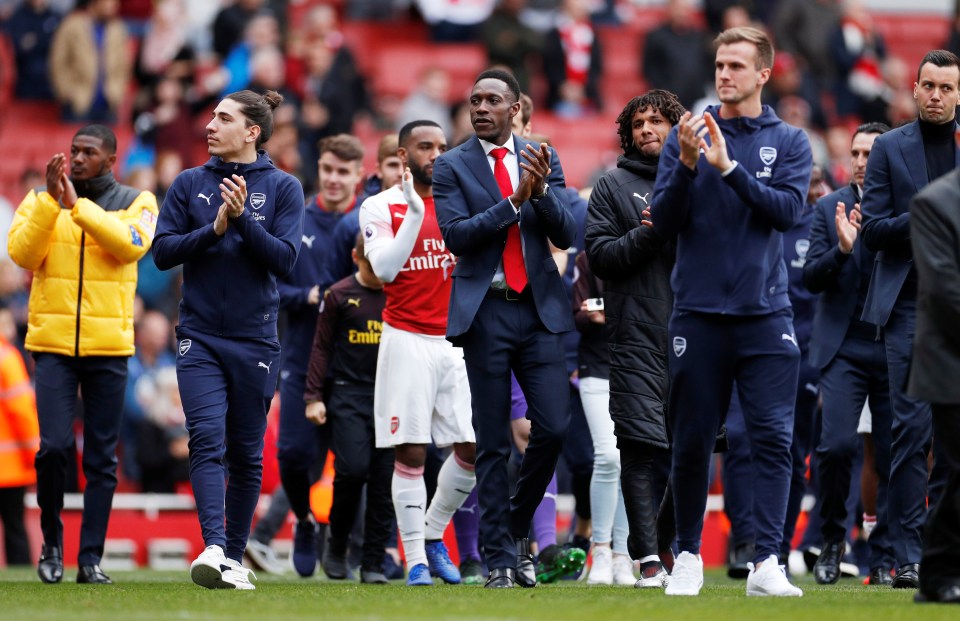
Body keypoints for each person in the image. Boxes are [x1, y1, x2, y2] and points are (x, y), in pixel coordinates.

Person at [650, 26, 812, 597]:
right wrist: (691, 164)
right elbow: (662, 225)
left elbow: (788, 212)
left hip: (766, 314)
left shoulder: (789, 141)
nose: (724, 74)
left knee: (772, 438)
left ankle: (767, 560)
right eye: (720, 64)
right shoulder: (685, 137)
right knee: (692, 439)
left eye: (737, 66)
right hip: (696, 312)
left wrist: (728, 168)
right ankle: (689, 555)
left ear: (764, 73)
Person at [152, 89, 304, 590]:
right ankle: (215, 546)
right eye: (212, 117)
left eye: (223, 118)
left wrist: (241, 220)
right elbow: (164, 252)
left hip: (256, 340)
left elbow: (285, 260)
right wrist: (213, 230)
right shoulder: (188, 183)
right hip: (199, 336)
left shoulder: (284, 188)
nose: (210, 126)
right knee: (206, 437)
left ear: (252, 131)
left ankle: (232, 558)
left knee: (246, 454)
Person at [434, 69, 576, 589]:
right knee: (492, 443)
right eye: (474, 100)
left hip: (539, 310)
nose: (480, 108)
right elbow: (456, 236)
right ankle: (499, 560)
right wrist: (514, 201)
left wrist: (539, 194)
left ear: (515, 107)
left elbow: (566, 232)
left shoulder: (543, 156)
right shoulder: (451, 166)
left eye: (492, 100)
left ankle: (515, 524)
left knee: (555, 428)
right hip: (486, 312)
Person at [8, 124, 159, 584]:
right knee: (53, 447)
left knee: (100, 458)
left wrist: (80, 208)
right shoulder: (40, 198)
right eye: (73, 150)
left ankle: (90, 558)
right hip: (52, 345)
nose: (75, 158)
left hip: (109, 347)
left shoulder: (138, 201)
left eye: (88, 153)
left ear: (111, 160)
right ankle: (52, 544)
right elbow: (21, 254)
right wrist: (54, 204)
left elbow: (131, 246)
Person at [859, 49, 960, 590]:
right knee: (912, 432)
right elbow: (873, 229)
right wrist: (929, 214)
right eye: (929, 86)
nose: (937, 96)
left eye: (947, 87)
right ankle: (908, 553)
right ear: (915, 89)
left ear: (958, 93)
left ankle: (945, 552)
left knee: (954, 441)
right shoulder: (890, 149)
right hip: (908, 308)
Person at [360, 120, 477, 587]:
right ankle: (416, 562)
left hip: (456, 340)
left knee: (472, 447)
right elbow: (385, 270)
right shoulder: (379, 205)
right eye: (425, 147)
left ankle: (431, 535)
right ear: (403, 156)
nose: (437, 154)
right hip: (406, 337)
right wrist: (412, 212)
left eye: (443, 147)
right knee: (410, 450)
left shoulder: (460, 203)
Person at [583, 89, 686, 588]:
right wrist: (651, 234)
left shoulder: (700, 179)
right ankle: (646, 556)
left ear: (676, 128)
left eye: (657, 121)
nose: (647, 129)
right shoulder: (611, 185)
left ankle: (663, 542)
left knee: (688, 449)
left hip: (695, 333)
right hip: (636, 335)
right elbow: (600, 256)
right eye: (639, 123)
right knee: (640, 447)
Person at [721, 164, 824, 579]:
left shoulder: (824, 223)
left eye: (816, 183)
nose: (811, 189)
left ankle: (775, 546)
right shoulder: (753, 217)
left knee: (788, 448)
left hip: (800, 355)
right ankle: (744, 538)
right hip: (744, 343)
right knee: (738, 439)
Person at [803, 122, 896, 586]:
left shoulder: (908, 205)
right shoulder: (827, 207)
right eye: (856, 152)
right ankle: (834, 539)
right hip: (844, 346)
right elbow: (810, 279)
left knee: (894, 455)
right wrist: (842, 250)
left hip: (894, 342)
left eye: (870, 153)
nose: (861, 160)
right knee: (836, 446)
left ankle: (883, 556)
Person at [276, 134, 364, 578]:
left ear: (358, 176)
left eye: (342, 172)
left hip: (354, 362)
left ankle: (344, 539)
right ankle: (305, 522)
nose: (333, 178)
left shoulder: (372, 219)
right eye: (328, 169)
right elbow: (270, 288)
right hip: (300, 354)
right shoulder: (296, 219)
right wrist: (307, 295)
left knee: (352, 463)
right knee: (291, 454)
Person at [304, 233, 390, 584]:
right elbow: (321, 348)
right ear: (356, 257)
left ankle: (372, 561)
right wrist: (313, 397)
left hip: (390, 397)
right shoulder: (338, 295)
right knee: (352, 471)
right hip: (348, 393)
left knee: (385, 483)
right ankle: (337, 545)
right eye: (370, 265)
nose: (377, 272)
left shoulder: (399, 292)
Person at [907, 164, 960, 605]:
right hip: (951, 362)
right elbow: (944, 291)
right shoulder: (934, 202)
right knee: (955, 471)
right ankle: (938, 571)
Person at [0, 305, 39, 567]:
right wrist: (34, 453)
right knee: (14, 526)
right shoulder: (7, 357)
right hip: (9, 465)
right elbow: (22, 410)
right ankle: (21, 572)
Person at [48, 0, 131, 122]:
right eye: (109, 3)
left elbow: (124, 65)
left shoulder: (117, 28)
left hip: (109, 103)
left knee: (109, 140)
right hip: (78, 102)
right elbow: (58, 62)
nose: (114, 7)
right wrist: (67, 92)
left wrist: (118, 91)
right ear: (95, 3)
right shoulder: (72, 25)